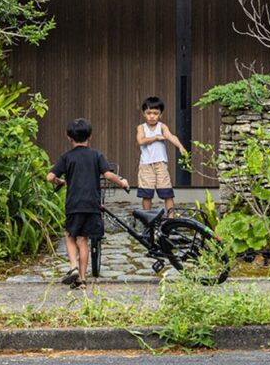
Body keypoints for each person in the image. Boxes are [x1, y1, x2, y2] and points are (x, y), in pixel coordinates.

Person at [47, 117, 129, 288]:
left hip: (74, 204)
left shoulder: (67, 157)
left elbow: (50, 177)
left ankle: (73, 267)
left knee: (70, 235)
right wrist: (122, 182)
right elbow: (108, 175)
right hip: (92, 204)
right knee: (83, 240)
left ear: (69, 137)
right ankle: (82, 280)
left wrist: (59, 182)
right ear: (90, 136)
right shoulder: (96, 155)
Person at [134, 96, 190, 214]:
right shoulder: (141, 127)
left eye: (155, 113)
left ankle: (171, 218)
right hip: (146, 165)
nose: (152, 116)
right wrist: (156, 137)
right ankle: (147, 218)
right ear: (144, 114)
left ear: (160, 114)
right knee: (147, 194)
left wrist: (180, 146)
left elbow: (171, 136)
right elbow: (141, 141)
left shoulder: (162, 126)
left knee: (167, 192)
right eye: (149, 113)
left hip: (161, 164)